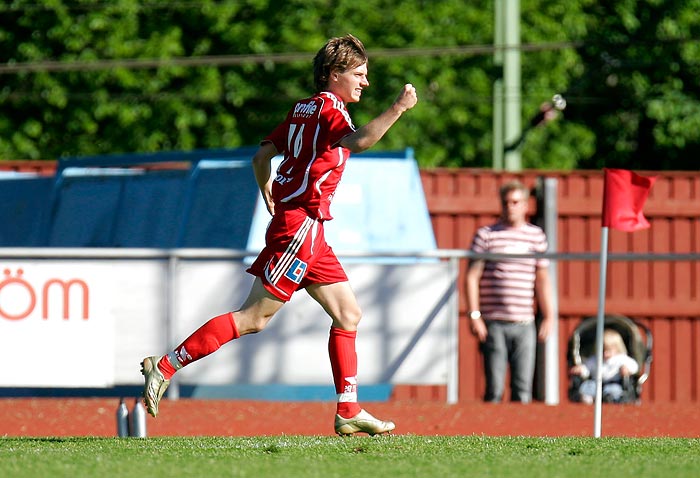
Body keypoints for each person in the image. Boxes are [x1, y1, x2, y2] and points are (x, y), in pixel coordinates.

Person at [140, 34, 417, 436]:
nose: (365, 82)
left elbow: (261, 155)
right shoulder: (329, 108)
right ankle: (164, 366)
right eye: (358, 74)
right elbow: (361, 141)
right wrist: (399, 107)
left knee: (348, 314)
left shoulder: (302, 108)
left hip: (308, 227)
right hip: (301, 226)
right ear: (334, 74)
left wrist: (266, 186)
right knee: (253, 319)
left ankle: (349, 410)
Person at [464, 180, 554, 403]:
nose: (510, 207)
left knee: (522, 389)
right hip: (494, 323)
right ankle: (488, 435)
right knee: (494, 388)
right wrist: (475, 315)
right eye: (506, 202)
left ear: (525, 205)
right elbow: (472, 276)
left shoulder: (536, 236)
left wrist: (549, 315)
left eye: (516, 202)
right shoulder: (486, 235)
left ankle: (519, 436)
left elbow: (543, 279)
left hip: (524, 323)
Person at [570, 328, 639, 404]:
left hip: (614, 382)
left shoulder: (621, 358)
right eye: (603, 350)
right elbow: (587, 368)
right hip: (596, 382)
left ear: (617, 348)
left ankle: (610, 399)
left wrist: (626, 369)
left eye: (608, 350)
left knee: (614, 390)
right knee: (588, 386)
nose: (605, 353)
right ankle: (587, 399)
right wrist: (581, 369)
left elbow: (634, 366)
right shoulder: (595, 359)